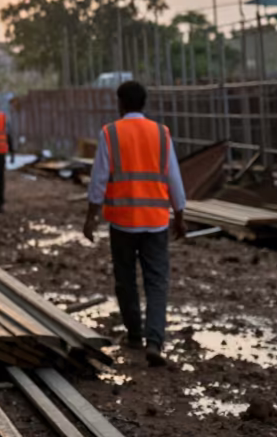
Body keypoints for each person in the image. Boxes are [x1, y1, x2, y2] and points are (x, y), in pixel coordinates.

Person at [83, 80, 187, 367]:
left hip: (123, 223)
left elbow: (98, 180)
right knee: (157, 283)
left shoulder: (110, 133)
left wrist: (91, 218)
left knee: (126, 281)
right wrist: (179, 216)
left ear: (120, 103)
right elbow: (174, 179)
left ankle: (134, 335)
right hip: (156, 223)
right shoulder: (161, 133)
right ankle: (154, 341)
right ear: (144, 103)